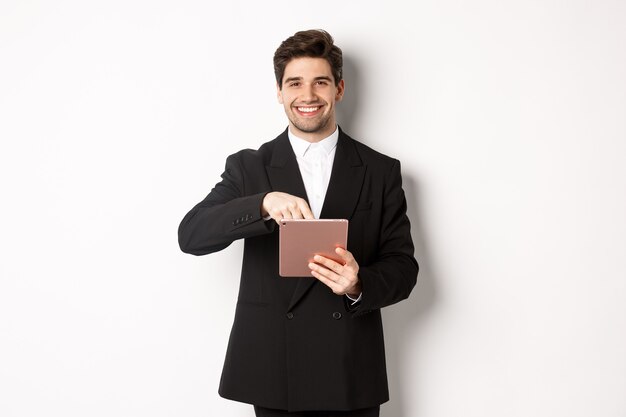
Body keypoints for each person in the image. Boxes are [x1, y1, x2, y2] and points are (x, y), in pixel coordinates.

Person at [178, 29, 418, 417]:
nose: (307, 96)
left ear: (339, 89)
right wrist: (261, 204)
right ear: (279, 91)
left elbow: (404, 268)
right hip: (276, 370)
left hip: (350, 368)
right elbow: (191, 234)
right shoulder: (249, 168)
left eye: (320, 82)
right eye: (295, 83)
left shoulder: (380, 170)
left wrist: (359, 284)